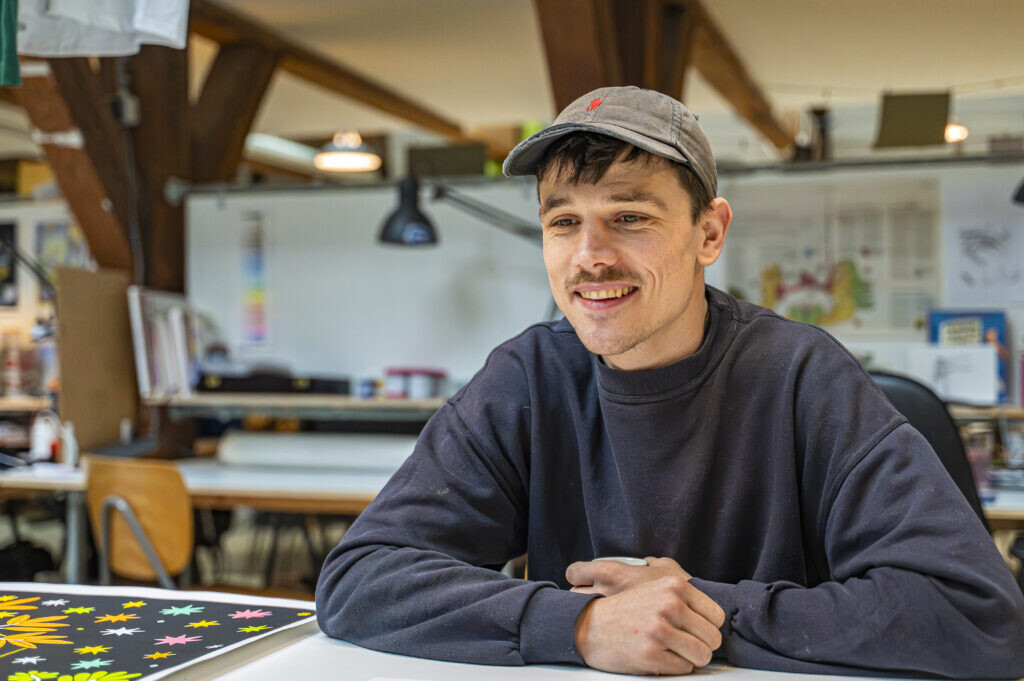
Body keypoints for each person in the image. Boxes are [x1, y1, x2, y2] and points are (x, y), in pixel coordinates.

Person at [316, 86, 1024, 677]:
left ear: (709, 234)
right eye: (564, 222)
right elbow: (359, 580)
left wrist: (695, 615)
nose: (590, 257)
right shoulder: (527, 378)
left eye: (629, 217)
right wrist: (583, 624)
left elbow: (975, 614)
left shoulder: (804, 376)